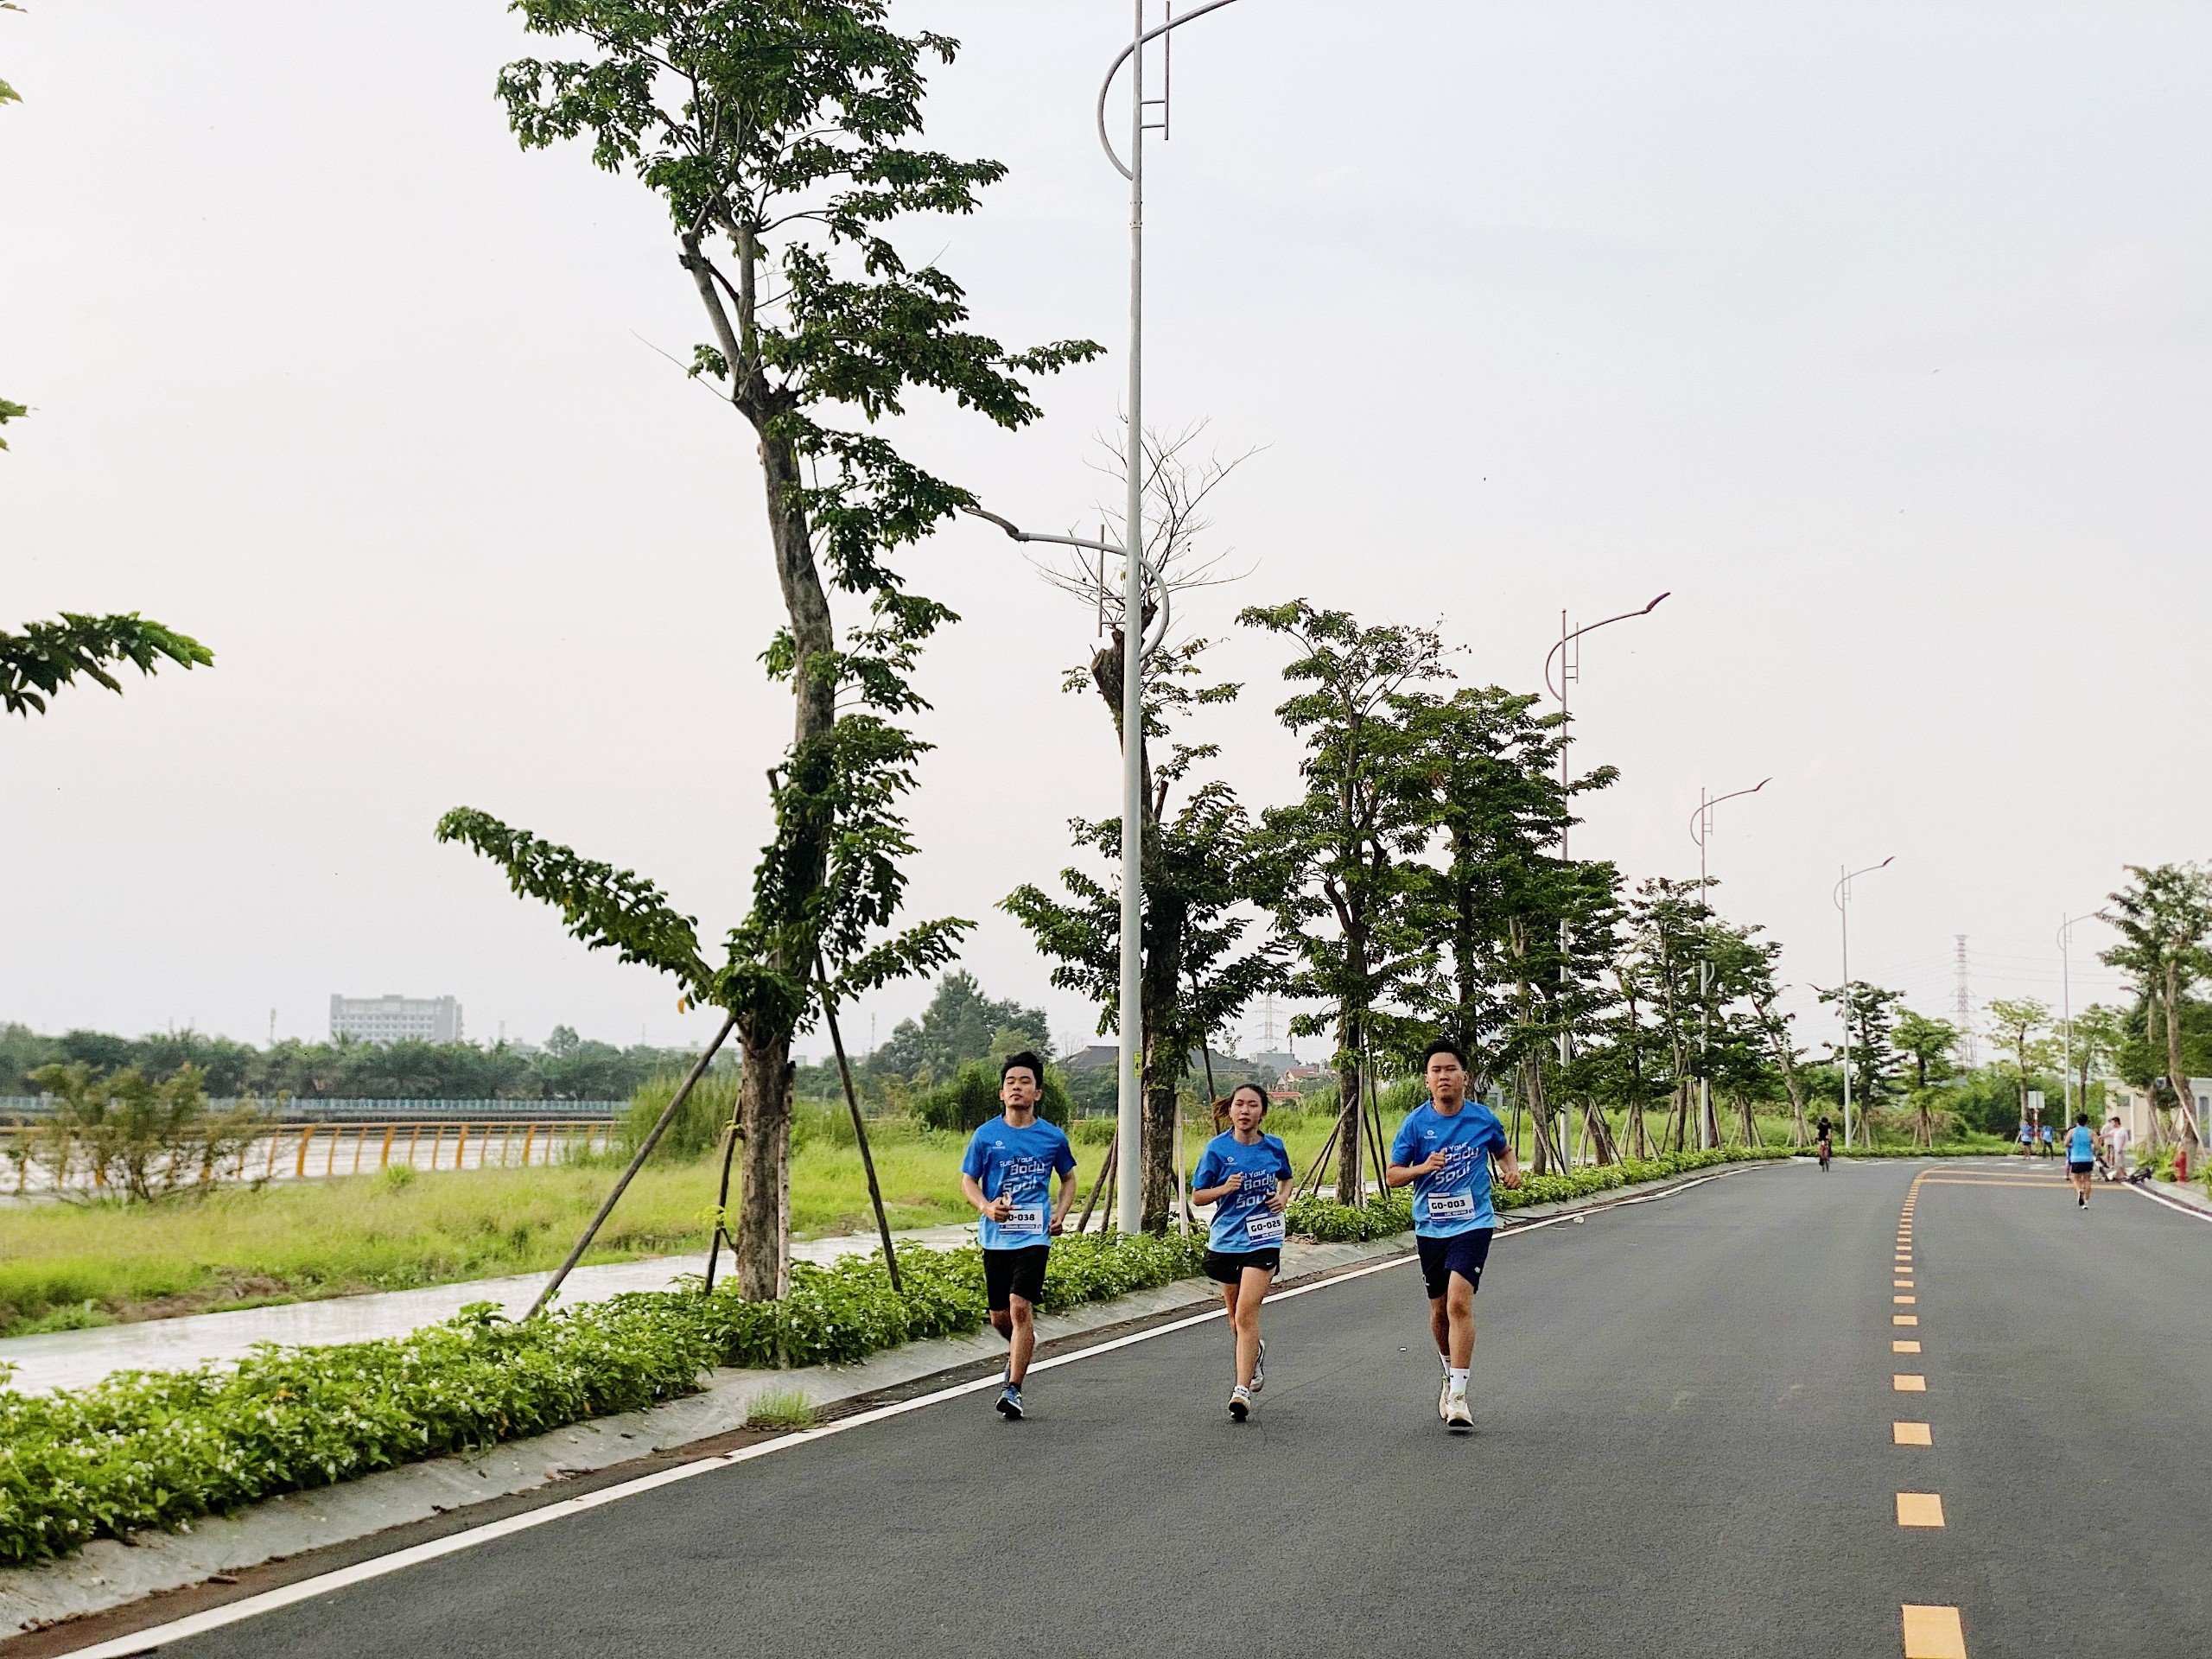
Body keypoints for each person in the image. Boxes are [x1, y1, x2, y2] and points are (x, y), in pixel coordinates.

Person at [1387, 1038, 1522, 1433]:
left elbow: (1503, 1150)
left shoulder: (1482, 1118)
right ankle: (1448, 1377)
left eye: (1450, 1069)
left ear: (1465, 1077)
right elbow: (1393, 1175)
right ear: (1427, 1081)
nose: (1443, 1076)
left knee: (1460, 1303)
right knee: (1439, 1309)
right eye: (1435, 1071)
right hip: (1431, 1226)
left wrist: (1511, 1170)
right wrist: (1422, 1168)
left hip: (1474, 1222)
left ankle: (1460, 1396)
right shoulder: (1415, 1124)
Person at [959, 1052, 1078, 1421]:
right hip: (995, 1237)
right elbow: (968, 1181)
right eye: (1011, 1082)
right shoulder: (986, 1136)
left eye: (1024, 1082)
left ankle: (1013, 1388)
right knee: (999, 1318)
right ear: (1001, 1093)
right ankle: (1021, 1346)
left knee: (1019, 1307)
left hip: (1034, 1236)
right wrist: (985, 1207)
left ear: (1037, 1093)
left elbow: (1069, 1178)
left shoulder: (1052, 1137)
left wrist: (1060, 1213)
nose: (1017, 1088)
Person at [1189, 1082, 1294, 1421]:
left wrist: (1283, 1197)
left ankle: (1241, 1390)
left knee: (1247, 1313)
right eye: (1239, 1105)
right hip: (1226, 1240)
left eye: (1252, 1105)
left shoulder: (1274, 1147)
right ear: (1231, 1110)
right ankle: (1256, 1353)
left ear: (1262, 1111)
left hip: (1264, 1239)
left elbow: (1286, 1178)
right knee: (1236, 1320)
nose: (1245, 1111)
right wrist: (1224, 1188)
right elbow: (1198, 1196)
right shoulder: (1217, 1150)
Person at [2065, 1112, 2096, 1208]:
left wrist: (2072, 1145)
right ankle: (2086, 1202)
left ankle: (2079, 1190)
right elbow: (2098, 1145)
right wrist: (2091, 1147)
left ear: (2077, 1121)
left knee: (2076, 1179)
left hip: (2075, 1158)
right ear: (2087, 1121)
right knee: (2087, 1180)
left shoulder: (2072, 1131)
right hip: (2088, 1158)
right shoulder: (2091, 1132)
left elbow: (2066, 1143)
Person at [2105, 1114, 2133, 1183]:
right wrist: (2099, 1137)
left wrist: (2120, 1148)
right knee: (2120, 1162)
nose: (2112, 1124)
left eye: (2112, 1123)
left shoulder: (2122, 1129)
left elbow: (2123, 1139)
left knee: (2119, 1163)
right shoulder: (2115, 1130)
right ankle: (2123, 1174)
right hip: (2117, 1149)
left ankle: (2119, 1175)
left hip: (2120, 1149)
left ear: (2116, 1122)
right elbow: (2108, 1134)